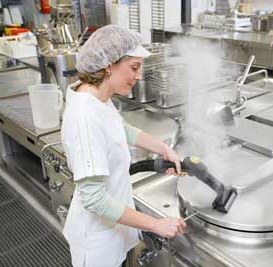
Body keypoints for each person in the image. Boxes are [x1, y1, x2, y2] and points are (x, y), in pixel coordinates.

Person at [61, 25, 186, 267]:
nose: (139, 76)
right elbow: (94, 199)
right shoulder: (84, 117)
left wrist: (163, 148)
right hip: (98, 244)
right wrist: (156, 224)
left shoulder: (98, 97)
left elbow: (122, 129)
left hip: (113, 230)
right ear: (109, 64)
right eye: (134, 67)